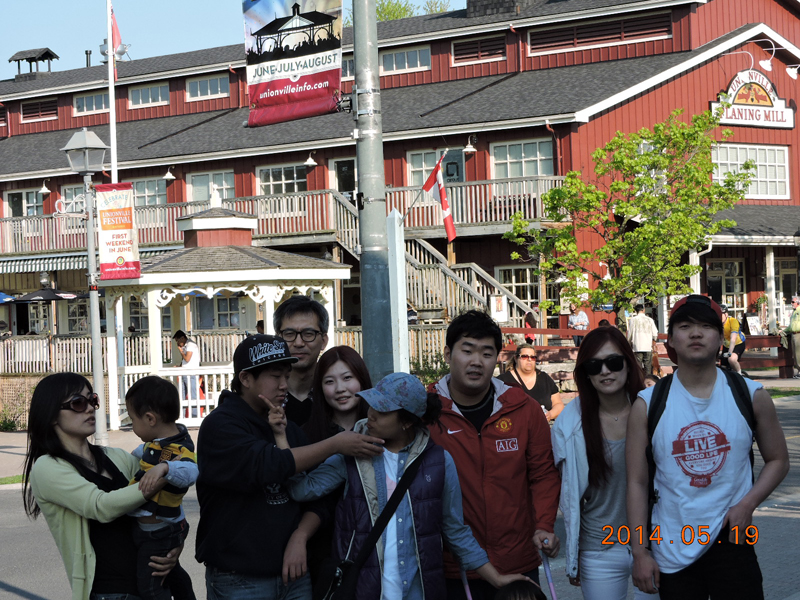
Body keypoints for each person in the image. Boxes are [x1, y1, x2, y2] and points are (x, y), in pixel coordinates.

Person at [285, 372, 532, 599]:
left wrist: (496, 578)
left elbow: (455, 530)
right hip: (363, 590)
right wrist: (322, 444)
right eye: (372, 404)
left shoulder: (439, 462)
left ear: (406, 422)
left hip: (418, 592)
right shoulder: (354, 452)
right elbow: (302, 489)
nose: (371, 414)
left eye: (382, 410)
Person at [195, 334, 385, 600]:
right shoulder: (221, 426)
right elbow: (269, 464)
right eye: (275, 376)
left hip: (296, 576)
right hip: (240, 578)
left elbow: (317, 496)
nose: (284, 384)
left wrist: (300, 535)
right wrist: (336, 444)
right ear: (246, 379)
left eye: (286, 375)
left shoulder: (289, 429)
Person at [627, 295, 789, 599]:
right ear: (670, 339)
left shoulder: (751, 395)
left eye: (706, 326)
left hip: (734, 538)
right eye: (685, 326)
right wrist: (639, 552)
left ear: (721, 339)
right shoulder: (647, 404)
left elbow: (778, 460)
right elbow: (636, 482)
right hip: (672, 546)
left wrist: (747, 504)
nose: (696, 333)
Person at [430, 310, 561, 600]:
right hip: (451, 566)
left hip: (517, 562)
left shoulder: (523, 409)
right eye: (467, 351)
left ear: (498, 358)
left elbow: (543, 474)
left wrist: (544, 526)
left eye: (486, 353)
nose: (477, 361)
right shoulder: (426, 412)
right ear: (448, 354)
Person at [22, 373, 180, 600]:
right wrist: (165, 474)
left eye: (92, 400)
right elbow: (100, 506)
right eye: (78, 403)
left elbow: (166, 501)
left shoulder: (116, 457)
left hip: (154, 583)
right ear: (52, 415)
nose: (90, 408)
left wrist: (175, 544)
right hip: (110, 592)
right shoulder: (48, 468)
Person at [551, 327, 647, 600]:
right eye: (594, 365)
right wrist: (574, 554)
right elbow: (563, 490)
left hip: (654, 542)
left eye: (613, 362)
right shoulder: (569, 423)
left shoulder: (653, 409)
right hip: (599, 547)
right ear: (586, 374)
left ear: (628, 363)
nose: (605, 371)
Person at [301, 345, 372, 586]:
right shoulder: (306, 436)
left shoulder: (381, 431)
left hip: (371, 552)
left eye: (348, 378)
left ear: (362, 379)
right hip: (321, 555)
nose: (340, 388)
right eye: (329, 381)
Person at [126, 376, 197, 600]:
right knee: (171, 573)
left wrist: (165, 468)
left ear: (150, 419)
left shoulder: (180, 448)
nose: (132, 426)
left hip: (160, 532)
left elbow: (191, 472)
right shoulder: (157, 443)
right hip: (155, 529)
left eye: (132, 419)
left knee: (150, 586)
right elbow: (143, 452)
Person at [273, 295, 330, 426]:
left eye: (308, 334)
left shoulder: (337, 394)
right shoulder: (266, 396)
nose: (298, 343)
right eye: (289, 334)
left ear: (324, 341)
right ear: (278, 340)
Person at [498, 343, 564, 421]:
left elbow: (558, 404)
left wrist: (550, 414)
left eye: (533, 357)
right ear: (516, 358)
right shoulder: (502, 381)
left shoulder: (544, 378)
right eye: (524, 356)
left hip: (541, 425)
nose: (529, 359)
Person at [626, 304, 659, 375]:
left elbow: (630, 334)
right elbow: (655, 333)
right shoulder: (650, 320)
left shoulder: (633, 320)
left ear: (635, 311)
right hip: (647, 346)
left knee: (638, 366)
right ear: (643, 310)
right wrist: (654, 339)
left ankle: (639, 379)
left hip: (637, 346)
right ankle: (648, 379)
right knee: (648, 366)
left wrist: (629, 343)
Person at [173, 330, 199, 404]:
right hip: (184, 372)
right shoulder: (186, 345)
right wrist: (180, 366)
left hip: (191, 373)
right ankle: (182, 411)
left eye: (177, 341)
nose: (177, 344)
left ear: (182, 338)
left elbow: (187, 359)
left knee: (192, 395)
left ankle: (194, 411)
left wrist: (181, 351)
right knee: (181, 395)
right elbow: (185, 361)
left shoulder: (190, 345)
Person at [720, 304, 746, 374]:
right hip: (727, 345)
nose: (719, 317)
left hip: (738, 344)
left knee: (731, 359)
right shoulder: (719, 324)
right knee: (722, 367)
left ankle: (739, 375)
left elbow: (733, 339)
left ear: (726, 314)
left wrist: (730, 353)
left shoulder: (733, 321)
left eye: (721, 315)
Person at [782, 295, 800, 378]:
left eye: (793, 302)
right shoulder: (794, 312)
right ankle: (799, 371)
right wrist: (783, 331)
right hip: (793, 334)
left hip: (798, 334)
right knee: (795, 354)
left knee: (798, 353)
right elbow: (791, 326)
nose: (791, 303)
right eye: (791, 302)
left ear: (798, 303)